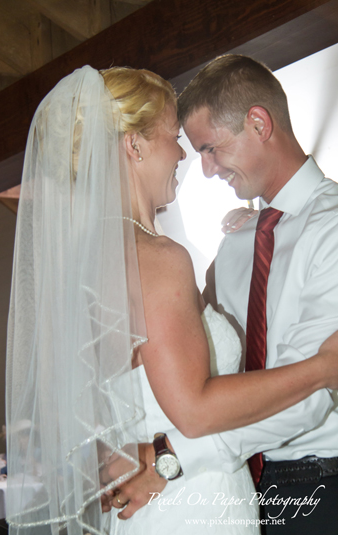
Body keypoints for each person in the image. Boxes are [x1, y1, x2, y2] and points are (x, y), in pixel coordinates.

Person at [4, 65, 338, 535]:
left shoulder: (93, 258)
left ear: (259, 124)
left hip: (295, 483)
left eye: (207, 147)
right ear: (133, 145)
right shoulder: (164, 255)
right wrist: (325, 367)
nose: (191, 159)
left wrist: (160, 456)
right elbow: (197, 403)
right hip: (189, 495)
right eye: (178, 139)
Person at [113, 55, 338, 534]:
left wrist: (171, 458)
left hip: (315, 485)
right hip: (226, 485)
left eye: (211, 149)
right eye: (192, 150)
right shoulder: (234, 246)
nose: (207, 169)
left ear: (258, 123)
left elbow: (316, 393)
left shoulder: (334, 229)